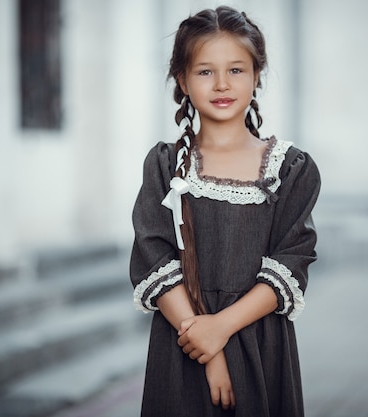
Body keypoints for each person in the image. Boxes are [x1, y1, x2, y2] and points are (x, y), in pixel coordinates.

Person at [130, 5, 320, 417]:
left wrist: (221, 327)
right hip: (182, 345)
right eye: (204, 71)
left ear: (257, 75)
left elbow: (291, 262)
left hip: (260, 343)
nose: (221, 84)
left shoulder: (291, 169)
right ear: (181, 79)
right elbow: (153, 260)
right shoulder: (164, 165)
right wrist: (209, 349)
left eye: (236, 70)